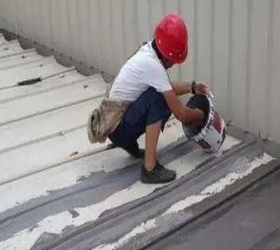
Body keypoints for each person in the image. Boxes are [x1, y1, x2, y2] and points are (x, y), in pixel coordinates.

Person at [88, 13, 210, 184]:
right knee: (159, 100)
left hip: (114, 124)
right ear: (166, 55)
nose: (173, 64)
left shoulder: (148, 51)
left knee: (159, 94)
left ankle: (129, 143)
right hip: (117, 129)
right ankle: (150, 169)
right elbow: (181, 114)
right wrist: (201, 116)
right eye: (173, 60)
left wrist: (192, 87)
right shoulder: (153, 66)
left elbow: (166, 86)